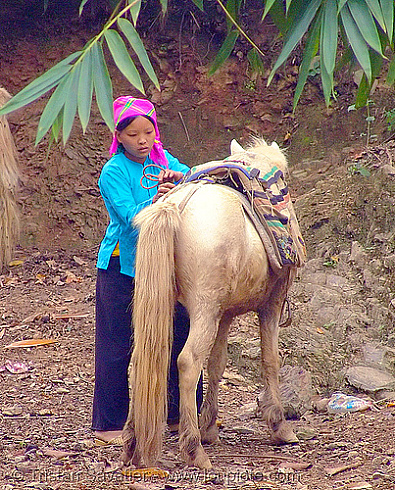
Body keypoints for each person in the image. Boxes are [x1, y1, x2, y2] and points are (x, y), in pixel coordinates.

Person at [92, 96, 203, 444]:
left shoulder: (163, 159)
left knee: (181, 336)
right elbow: (130, 217)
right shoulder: (112, 172)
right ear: (118, 137)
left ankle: (178, 415)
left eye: (148, 131)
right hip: (121, 267)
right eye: (133, 134)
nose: (142, 140)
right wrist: (157, 196)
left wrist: (181, 179)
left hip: (165, 267)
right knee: (116, 345)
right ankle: (109, 423)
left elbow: (195, 180)